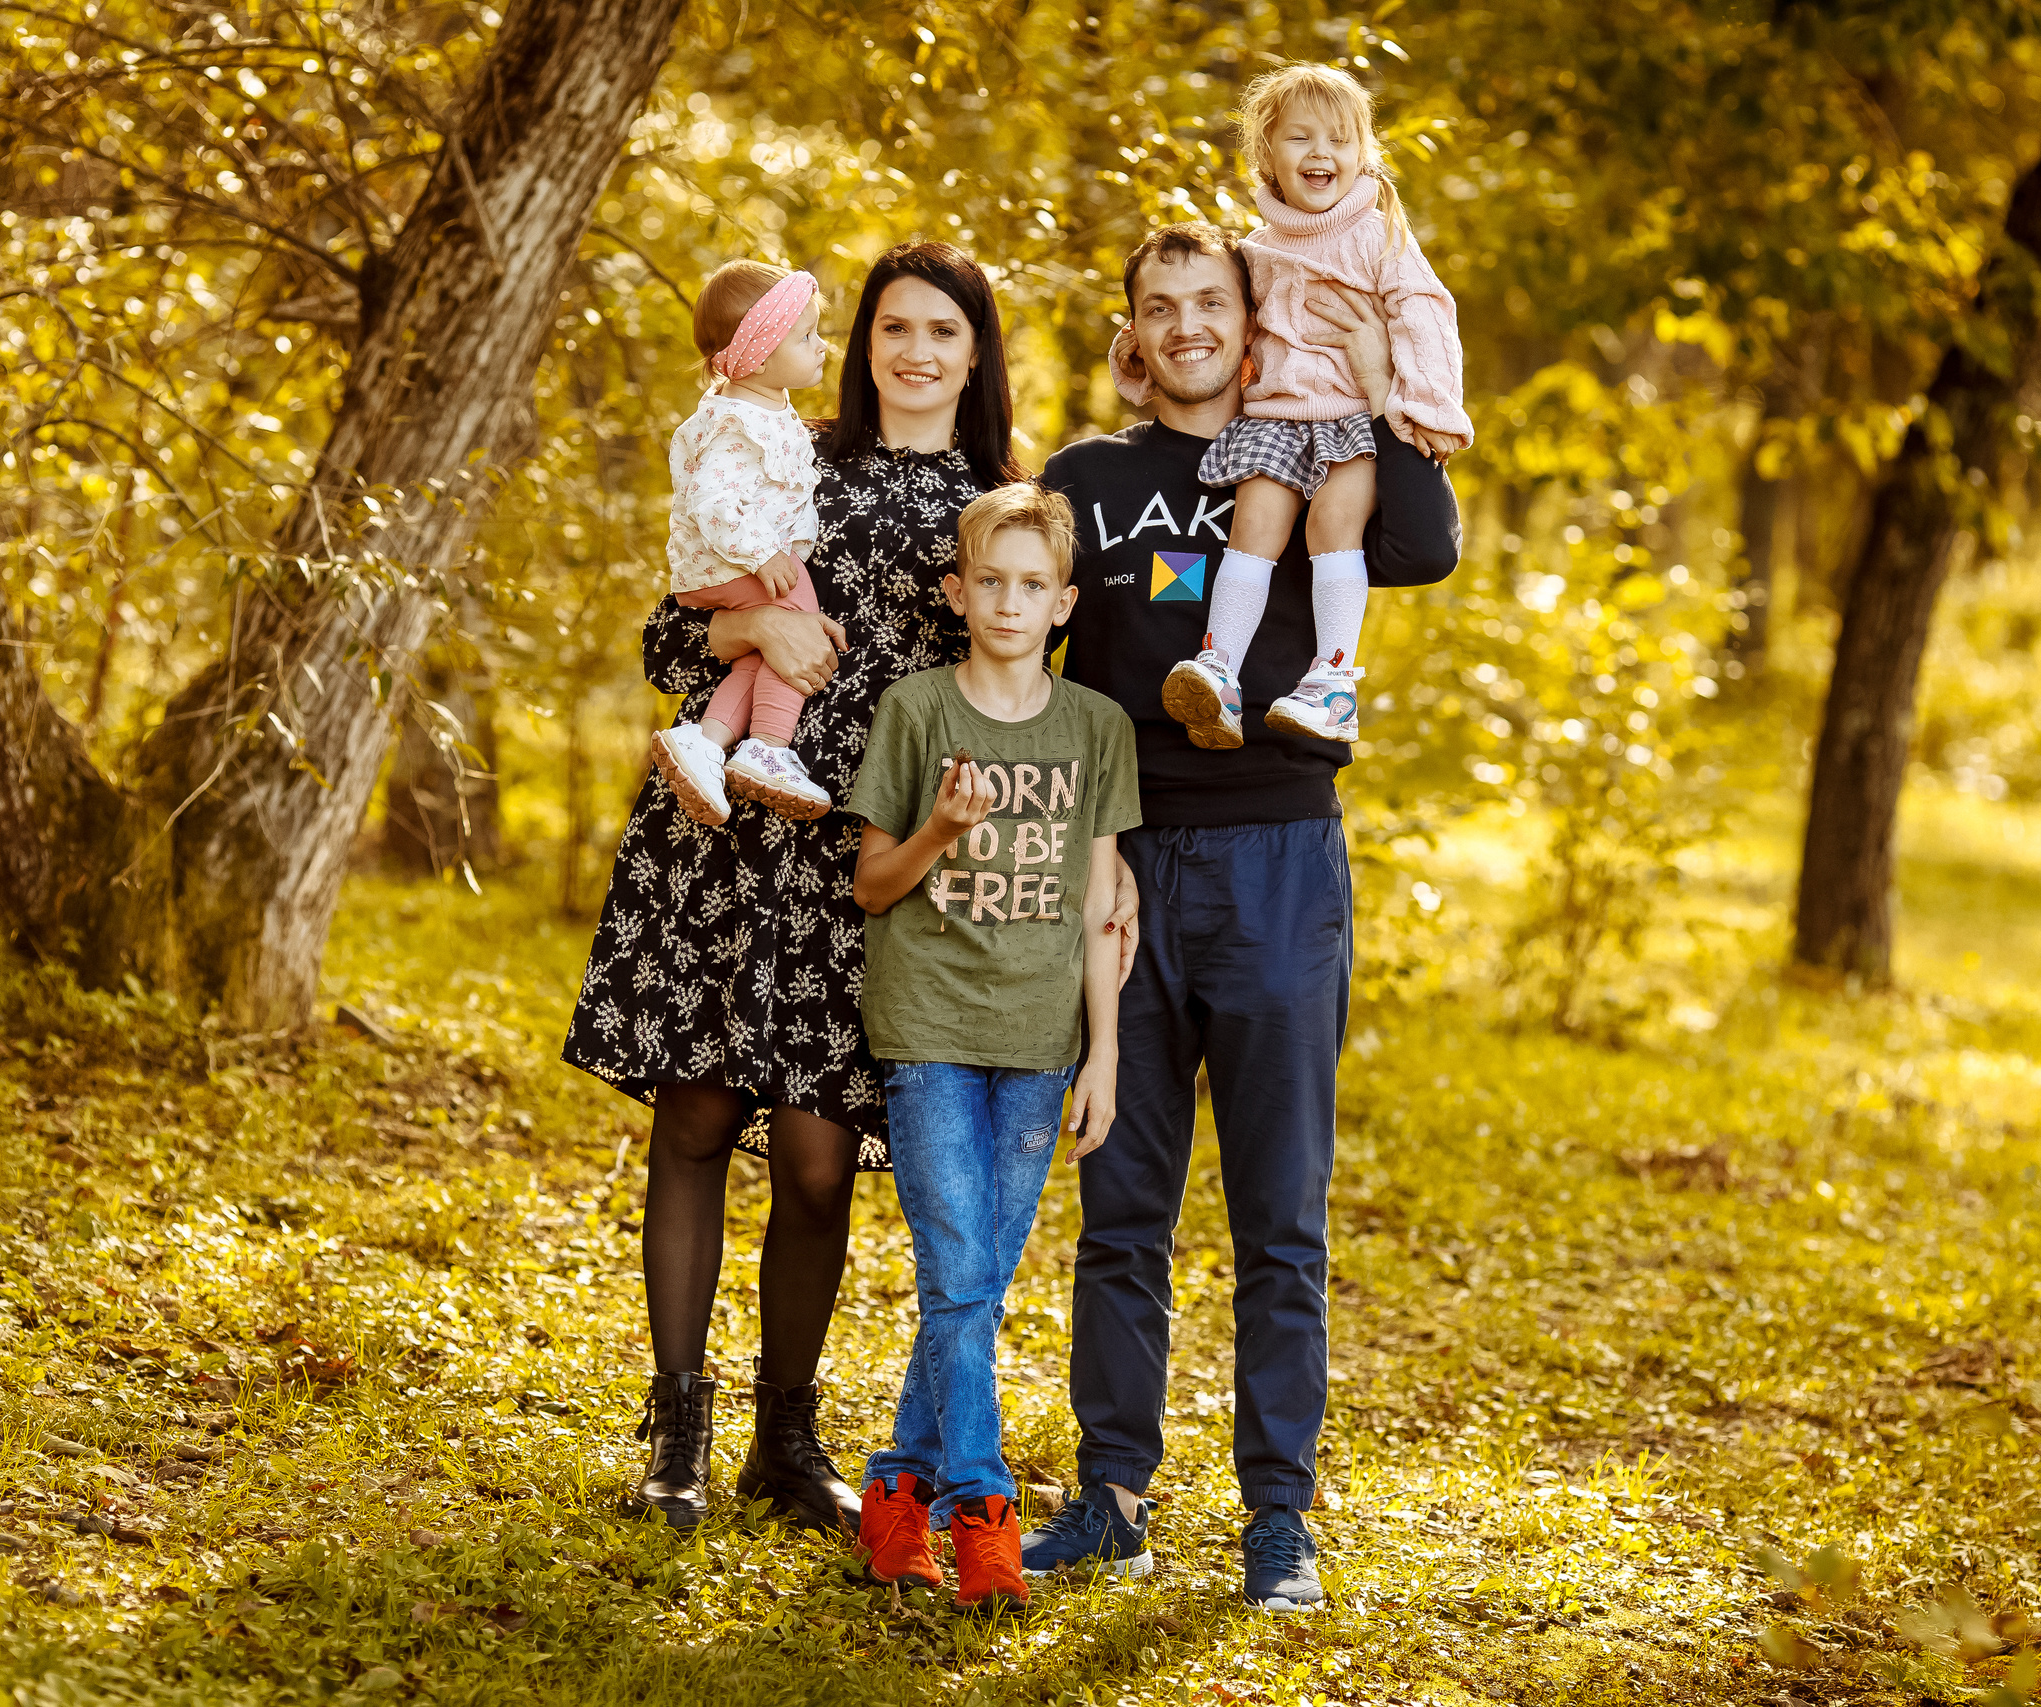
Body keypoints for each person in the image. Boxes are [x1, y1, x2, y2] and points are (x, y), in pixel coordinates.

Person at [567, 242, 1096, 1536]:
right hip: (729, 819)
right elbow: (664, 632)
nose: (917, 350)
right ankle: (677, 1427)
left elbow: (1024, 686)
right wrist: (755, 630)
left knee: (815, 1157)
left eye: (945, 332)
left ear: (978, 355)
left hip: (863, 848)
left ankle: (783, 1436)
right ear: (860, 344)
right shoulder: (777, 443)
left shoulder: (1003, 504)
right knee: (695, 1113)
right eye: (894, 327)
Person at [1022, 222, 1463, 1608]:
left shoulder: (1323, 439)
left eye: (1212, 299)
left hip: (1282, 853)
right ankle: (1114, 1493)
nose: (1190, 324)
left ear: (1250, 316)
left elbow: (1430, 542)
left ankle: (1279, 1511)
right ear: (1133, 335)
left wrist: (1372, 348)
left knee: (1282, 1214)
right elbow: (1005, 631)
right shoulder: (1086, 479)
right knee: (1122, 1205)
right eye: (1162, 307)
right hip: (1128, 868)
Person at [843, 483, 1141, 1612]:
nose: (1009, 603)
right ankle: (980, 1505)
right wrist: (942, 830)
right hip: (926, 1025)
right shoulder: (917, 711)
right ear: (955, 592)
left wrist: (1101, 1056)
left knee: (968, 1286)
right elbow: (874, 885)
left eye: (1032, 586)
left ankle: (891, 1494)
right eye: (990, 583)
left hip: (1038, 1041)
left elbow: (1101, 908)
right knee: (960, 1268)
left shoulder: (1094, 727)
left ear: (1061, 602)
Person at [1142, 64, 1471, 752]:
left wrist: (1428, 406)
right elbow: (1212, 313)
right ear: (1267, 155)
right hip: (1275, 418)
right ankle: (1219, 668)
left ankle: (1333, 680)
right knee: (1254, 524)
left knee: (1333, 523)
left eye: (1339, 140)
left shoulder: (1377, 235)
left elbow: (1425, 312)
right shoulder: (1256, 248)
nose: (1321, 153)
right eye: (1300, 138)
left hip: (1352, 417)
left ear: (1363, 154)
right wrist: (1134, 353)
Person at [651, 259, 836, 824]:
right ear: (758, 353)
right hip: (734, 564)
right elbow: (712, 499)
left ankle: (706, 742)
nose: (822, 346)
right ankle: (769, 748)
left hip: (728, 569)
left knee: (758, 658)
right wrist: (765, 553)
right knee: (798, 618)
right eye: (805, 336)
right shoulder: (738, 422)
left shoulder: (760, 405)